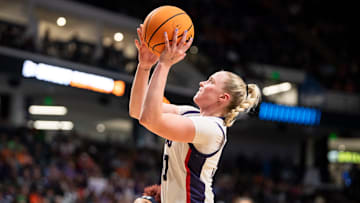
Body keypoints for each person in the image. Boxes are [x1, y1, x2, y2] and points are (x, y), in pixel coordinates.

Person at [129, 24, 261, 203]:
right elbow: (138, 110)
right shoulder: (190, 113)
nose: (202, 83)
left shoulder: (212, 129)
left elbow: (149, 119)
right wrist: (144, 67)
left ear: (223, 97)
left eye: (210, 82)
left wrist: (164, 64)